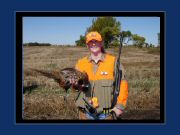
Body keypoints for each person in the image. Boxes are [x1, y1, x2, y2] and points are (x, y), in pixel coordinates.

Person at [75, 31, 128, 120]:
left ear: (101, 43)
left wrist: (120, 106)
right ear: (87, 45)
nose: (93, 44)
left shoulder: (113, 62)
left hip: (106, 113)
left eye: (96, 41)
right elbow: (76, 88)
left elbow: (123, 83)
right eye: (91, 42)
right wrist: (74, 85)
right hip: (85, 113)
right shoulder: (80, 63)